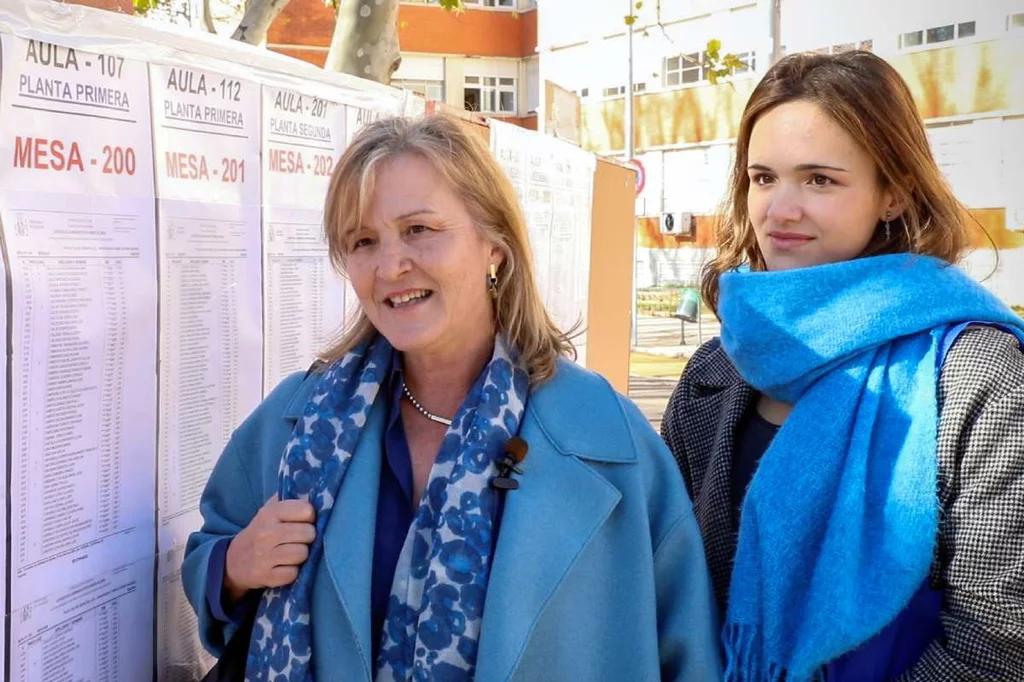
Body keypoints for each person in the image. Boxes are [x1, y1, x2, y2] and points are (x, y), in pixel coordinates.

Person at [183, 113, 722, 682]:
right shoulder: (297, 423)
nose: (391, 265)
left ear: (494, 243)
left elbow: (688, 649)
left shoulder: (609, 440)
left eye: (419, 230)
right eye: (363, 241)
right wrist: (234, 567)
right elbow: (210, 560)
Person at [661, 50, 1024, 682]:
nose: (780, 209)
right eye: (763, 177)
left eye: (820, 180)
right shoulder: (714, 373)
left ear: (893, 193)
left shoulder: (977, 373)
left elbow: (997, 640)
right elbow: (666, 587)